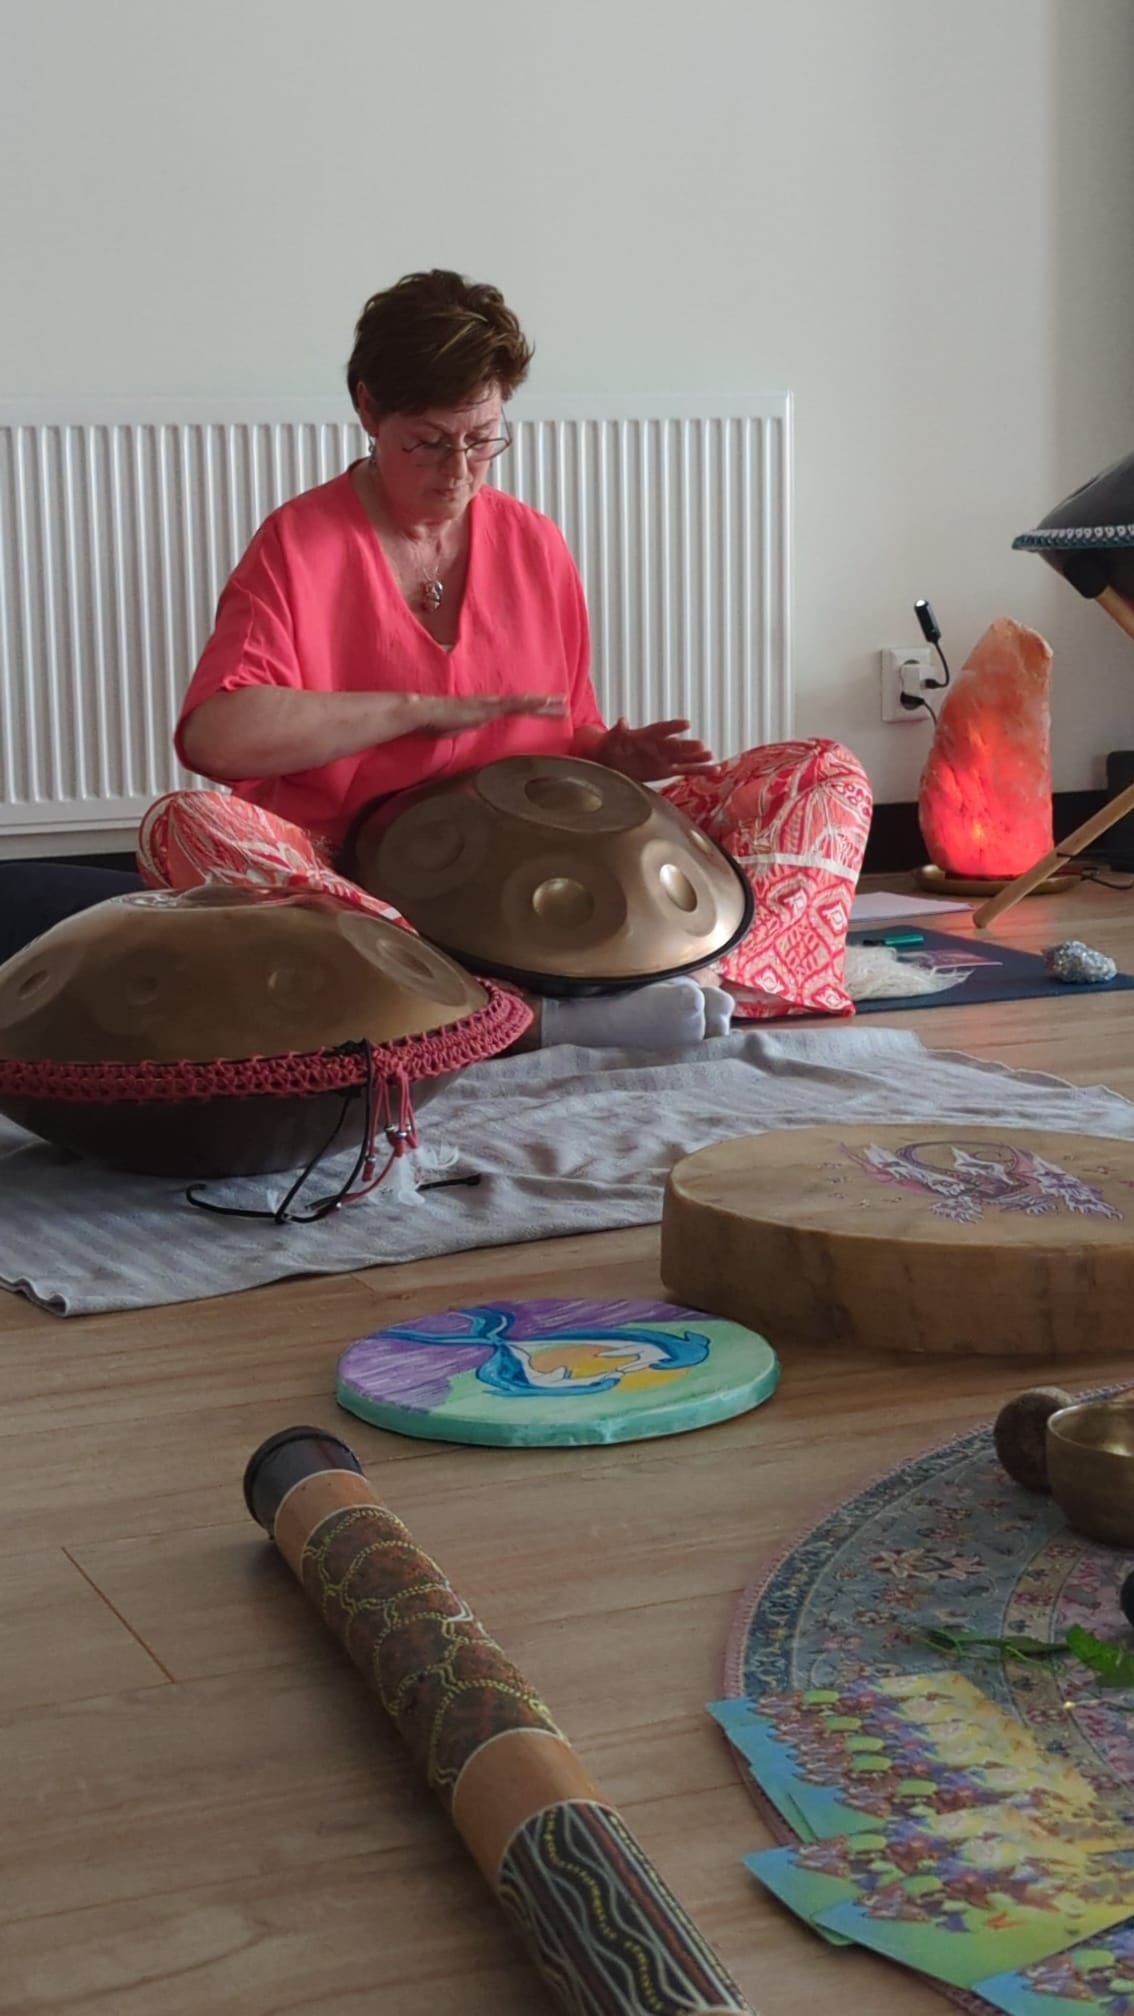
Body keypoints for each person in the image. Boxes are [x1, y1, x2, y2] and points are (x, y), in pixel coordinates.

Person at [14, 271, 873, 1042]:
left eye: (483, 437)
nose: (459, 469)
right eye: (428, 441)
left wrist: (614, 754)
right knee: (187, 826)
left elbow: (567, 740)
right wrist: (411, 708)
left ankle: (709, 984)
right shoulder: (300, 543)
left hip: (541, 873)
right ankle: (517, 1017)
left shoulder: (534, 542)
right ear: (366, 410)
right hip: (360, 874)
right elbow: (218, 739)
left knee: (820, 772)